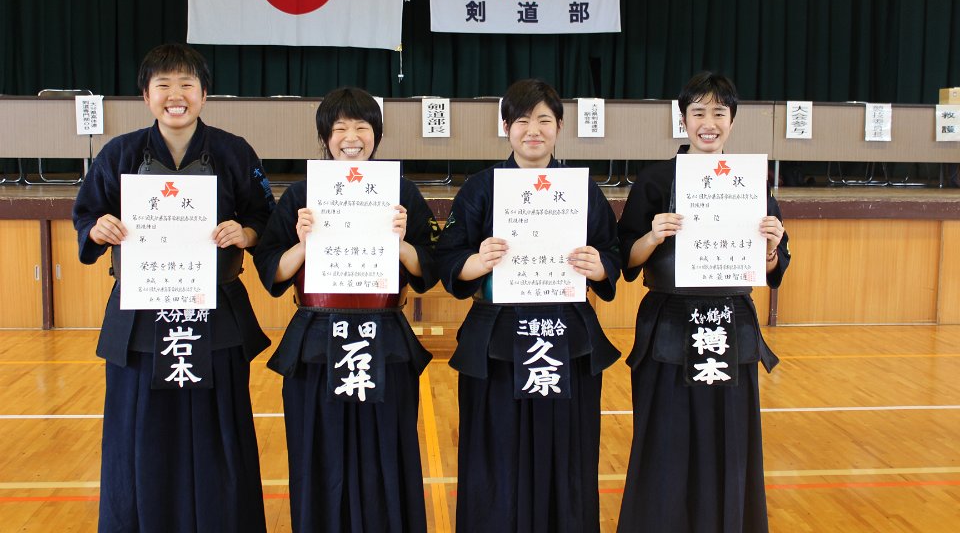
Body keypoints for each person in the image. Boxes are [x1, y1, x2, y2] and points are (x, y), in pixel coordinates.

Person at [73, 43, 275, 533]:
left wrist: (245, 233)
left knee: (219, 429)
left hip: (215, 313)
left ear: (204, 94)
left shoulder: (234, 151)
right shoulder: (119, 153)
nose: (175, 95)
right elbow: (86, 215)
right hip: (141, 318)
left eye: (187, 84)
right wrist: (98, 229)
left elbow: (265, 219)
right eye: (163, 85)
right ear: (146, 96)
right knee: (138, 430)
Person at [434, 78, 621, 533]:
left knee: (567, 451)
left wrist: (599, 267)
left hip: (567, 336)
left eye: (544, 120)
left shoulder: (582, 189)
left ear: (560, 126)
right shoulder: (480, 188)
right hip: (497, 338)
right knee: (496, 451)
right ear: (505, 127)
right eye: (521, 120)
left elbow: (612, 254)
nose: (533, 130)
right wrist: (476, 262)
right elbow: (448, 258)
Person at [254, 87, 439, 533]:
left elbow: (429, 270)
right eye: (339, 128)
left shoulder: (402, 192)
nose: (351, 138)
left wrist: (401, 244)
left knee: (387, 451)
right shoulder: (300, 194)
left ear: (377, 134)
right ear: (325, 136)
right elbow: (272, 271)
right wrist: (303, 244)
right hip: (316, 341)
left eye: (361, 127)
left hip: (385, 337)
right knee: (317, 452)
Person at [616, 71, 790, 532]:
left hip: (731, 325)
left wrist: (771, 249)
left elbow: (775, 266)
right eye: (698, 113)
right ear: (683, 119)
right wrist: (653, 236)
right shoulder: (655, 180)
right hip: (669, 326)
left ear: (732, 120)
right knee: (665, 440)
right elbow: (625, 259)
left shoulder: (750, 181)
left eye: (718, 113)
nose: (708, 123)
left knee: (729, 441)